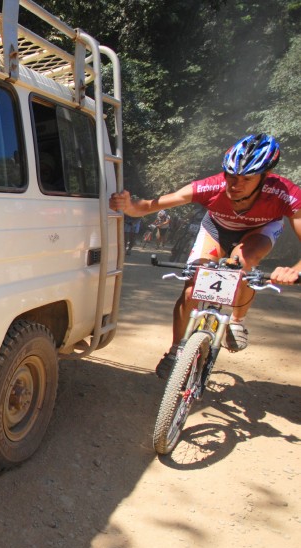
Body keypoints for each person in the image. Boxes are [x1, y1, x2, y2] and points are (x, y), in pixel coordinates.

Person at [109, 133, 301, 379]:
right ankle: (176, 351)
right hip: (216, 229)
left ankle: (237, 321)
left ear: (265, 177)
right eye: (231, 176)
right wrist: (128, 205)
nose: (235, 185)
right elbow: (149, 206)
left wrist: (294, 270)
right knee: (192, 288)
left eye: (246, 178)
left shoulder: (285, 193)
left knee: (244, 261)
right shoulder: (211, 186)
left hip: (259, 232)